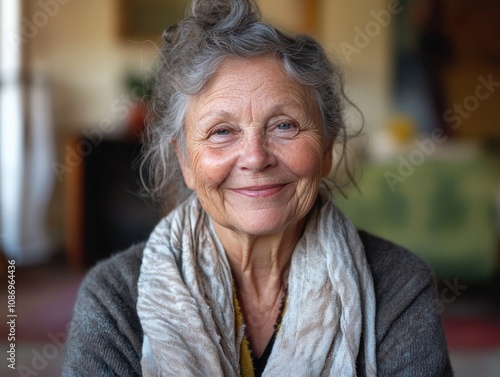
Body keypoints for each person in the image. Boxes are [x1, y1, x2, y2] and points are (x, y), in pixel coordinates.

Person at [62, 0, 453, 376]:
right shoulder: (115, 298)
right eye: (222, 132)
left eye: (284, 125)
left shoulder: (397, 285)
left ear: (328, 148)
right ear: (185, 161)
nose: (255, 157)